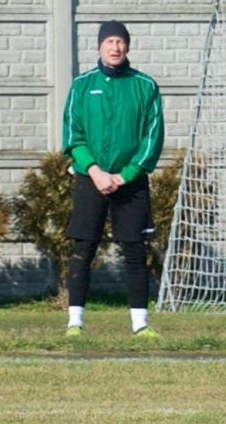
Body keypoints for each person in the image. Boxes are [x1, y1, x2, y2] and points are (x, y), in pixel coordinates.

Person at [61, 21, 165, 338]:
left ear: (127, 46)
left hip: (130, 182)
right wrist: (94, 171)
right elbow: (73, 136)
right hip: (90, 179)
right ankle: (75, 322)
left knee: (134, 251)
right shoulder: (82, 85)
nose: (115, 47)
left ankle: (140, 324)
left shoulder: (145, 86)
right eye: (109, 41)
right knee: (84, 249)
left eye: (120, 41)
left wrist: (125, 175)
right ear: (99, 46)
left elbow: (152, 137)